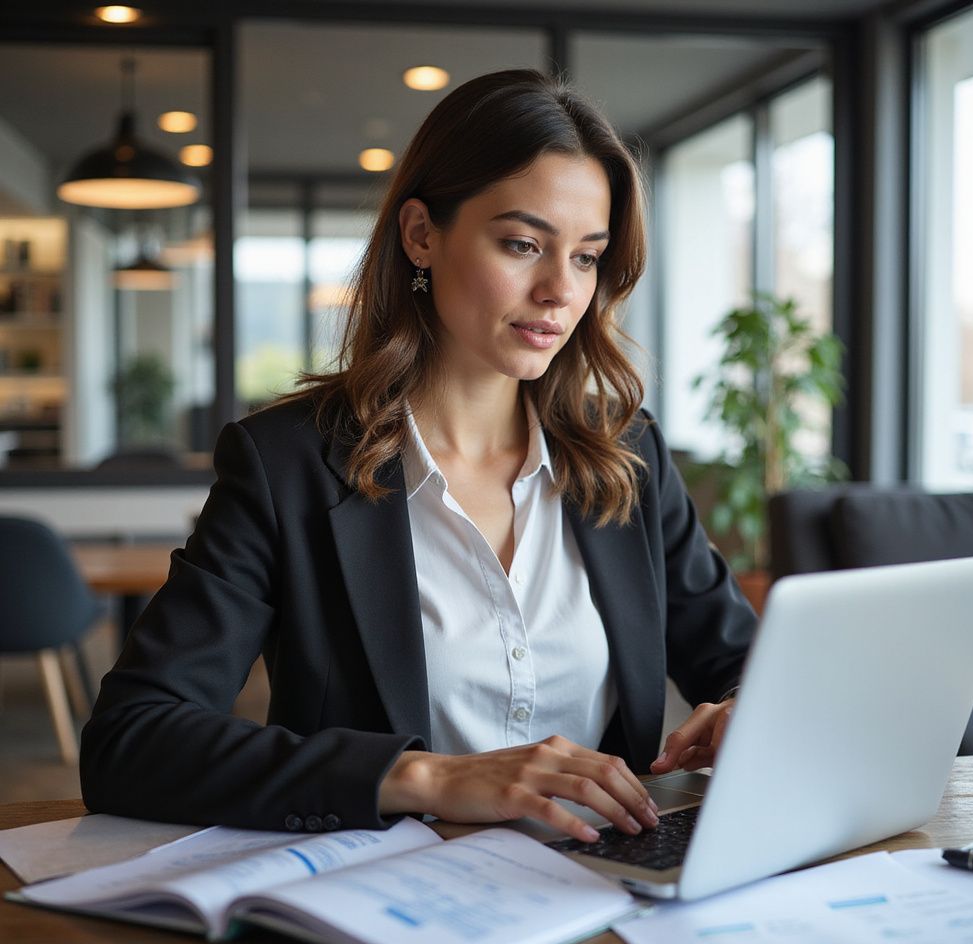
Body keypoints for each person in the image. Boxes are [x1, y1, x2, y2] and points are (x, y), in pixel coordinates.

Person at [80, 69, 757, 844]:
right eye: (523, 244)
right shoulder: (288, 465)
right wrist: (428, 777)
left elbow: (744, 663)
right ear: (421, 235)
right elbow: (130, 741)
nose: (558, 292)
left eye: (586, 257)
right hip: (392, 905)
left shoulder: (626, 454)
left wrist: (746, 709)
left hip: (607, 894)